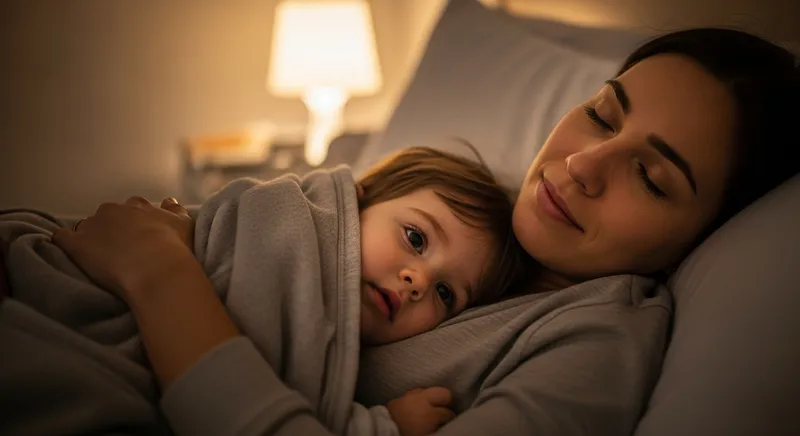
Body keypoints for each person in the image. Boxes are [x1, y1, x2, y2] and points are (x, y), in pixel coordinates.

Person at [48, 28, 799, 436]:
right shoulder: (476, 215)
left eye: (653, 178)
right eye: (603, 115)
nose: (582, 165)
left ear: (705, 236)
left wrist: (158, 272)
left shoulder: (597, 348)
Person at [0, 146, 523, 436]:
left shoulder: (342, 341)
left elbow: (268, 389)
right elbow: (271, 347)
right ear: (357, 202)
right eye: (416, 238)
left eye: (447, 295)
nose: (419, 281)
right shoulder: (289, 223)